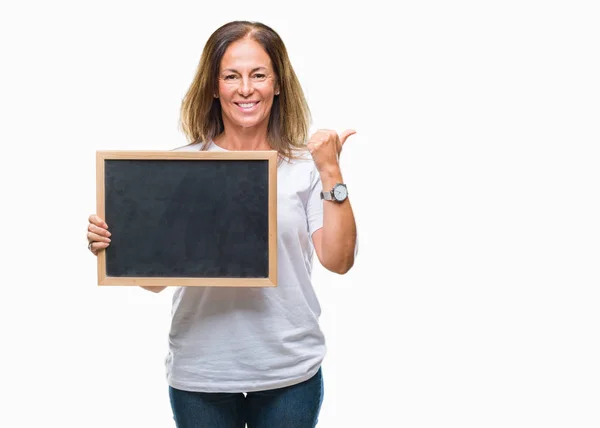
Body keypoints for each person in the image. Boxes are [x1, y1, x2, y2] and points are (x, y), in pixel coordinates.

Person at [87, 20, 357, 428]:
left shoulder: (307, 168)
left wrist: (331, 170)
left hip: (289, 371)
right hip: (202, 371)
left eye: (258, 75)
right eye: (231, 76)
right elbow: (156, 280)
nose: (245, 88)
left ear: (278, 83)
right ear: (214, 87)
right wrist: (120, 244)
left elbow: (338, 260)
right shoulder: (179, 168)